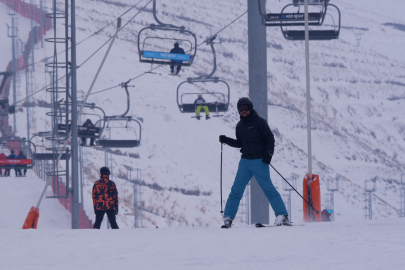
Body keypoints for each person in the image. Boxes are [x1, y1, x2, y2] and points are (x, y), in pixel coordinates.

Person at [219, 97, 289, 228]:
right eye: (241, 109)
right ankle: (228, 217)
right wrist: (226, 140)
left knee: (268, 189)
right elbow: (239, 143)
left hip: (259, 161)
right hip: (245, 161)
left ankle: (282, 215)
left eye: (246, 108)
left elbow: (270, 138)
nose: (243, 111)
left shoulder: (260, 122)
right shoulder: (240, 126)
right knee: (236, 190)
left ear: (250, 108)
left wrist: (268, 155)